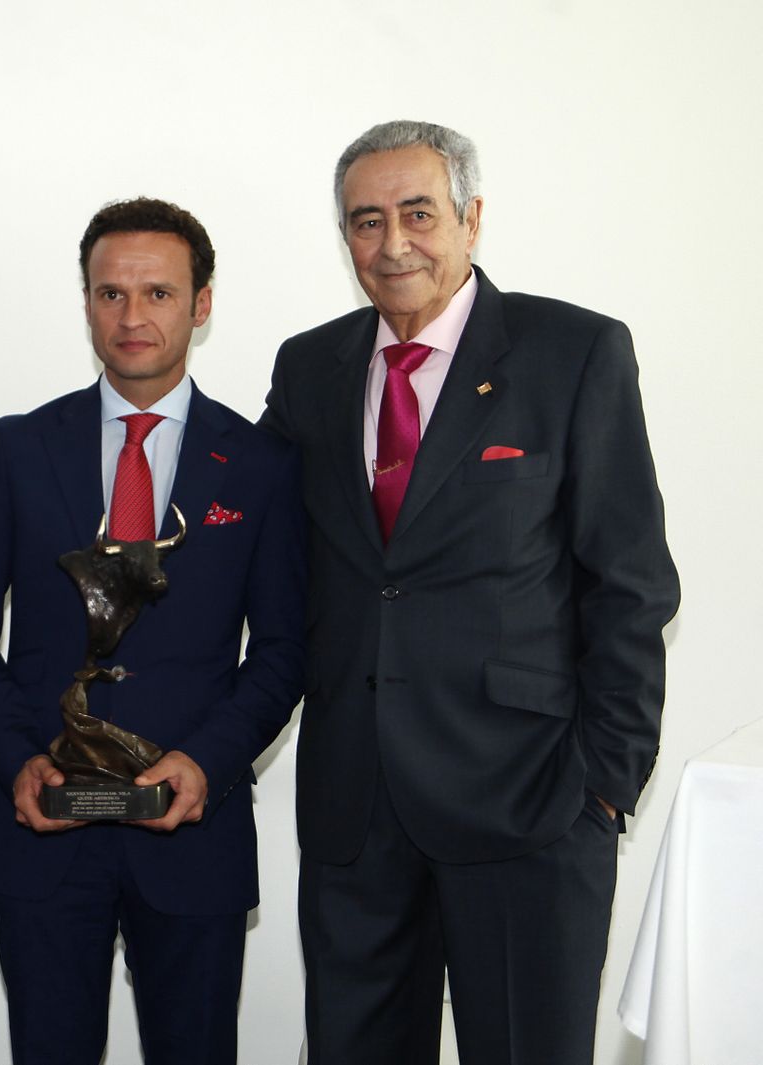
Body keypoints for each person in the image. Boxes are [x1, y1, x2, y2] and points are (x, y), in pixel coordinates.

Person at [259, 121, 681, 1064]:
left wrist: (603, 785)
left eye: (418, 212)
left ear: (471, 219)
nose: (393, 242)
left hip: (528, 801)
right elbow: (238, 512)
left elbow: (632, 582)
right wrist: (18, 515)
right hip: (355, 809)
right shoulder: (310, 367)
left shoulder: (573, 352)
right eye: (366, 221)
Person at [0, 198, 306, 1064]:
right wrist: (18, 756)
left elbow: (284, 649)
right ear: (87, 300)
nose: (132, 317)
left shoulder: (261, 464)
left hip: (193, 830)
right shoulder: (18, 447)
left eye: (159, 293)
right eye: (110, 294)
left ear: (200, 304)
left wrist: (208, 759)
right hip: (43, 823)